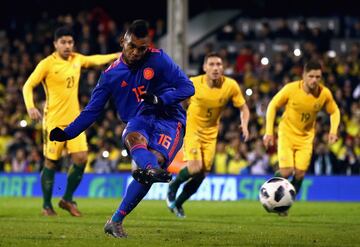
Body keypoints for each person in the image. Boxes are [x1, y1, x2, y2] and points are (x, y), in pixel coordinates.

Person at [49, 20, 194, 238]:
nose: (136, 52)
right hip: (140, 117)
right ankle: (151, 170)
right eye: (132, 46)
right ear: (122, 42)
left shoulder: (159, 59)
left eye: (142, 48)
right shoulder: (110, 76)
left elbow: (188, 87)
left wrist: (160, 99)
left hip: (170, 119)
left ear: (148, 46)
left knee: (153, 163)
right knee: (132, 136)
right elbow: (91, 111)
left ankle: (116, 219)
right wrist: (67, 133)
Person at [22, 26, 119, 217]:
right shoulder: (47, 64)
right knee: (51, 162)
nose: (67, 46)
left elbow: (95, 59)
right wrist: (30, 107)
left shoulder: (76, 59)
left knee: (82, 158)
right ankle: (47, 206)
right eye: (63, 42)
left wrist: (116, 54)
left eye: (70, 42)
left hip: (75, 122)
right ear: (55, 44)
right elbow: (28, 85)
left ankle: (66, 199)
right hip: (54, 122)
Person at [166, 52, 250, 218]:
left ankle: (179, 203)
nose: (215, 68)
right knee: (195, 167)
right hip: (193, 130)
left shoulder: (230, 85)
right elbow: (174, 99)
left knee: (202, 174)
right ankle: (173, 186)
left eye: (218, 64)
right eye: (211, 64)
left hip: (211, 134)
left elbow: (243, 108)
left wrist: (245, 124)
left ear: (223, 67)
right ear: (205, 67)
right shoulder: (193, 83)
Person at [263, 60, 340, 215]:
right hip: (287, 134)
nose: (314, 80)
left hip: (306, 138)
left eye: (318, 77)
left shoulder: (324, 93)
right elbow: (273, 105)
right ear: (303, 75)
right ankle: (269, 193)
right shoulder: (291, 89)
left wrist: (333, 131)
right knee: (286, 172)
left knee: (300, 174)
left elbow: (334, 111)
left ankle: (284, 205)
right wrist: (269, 131)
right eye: (311, 76)